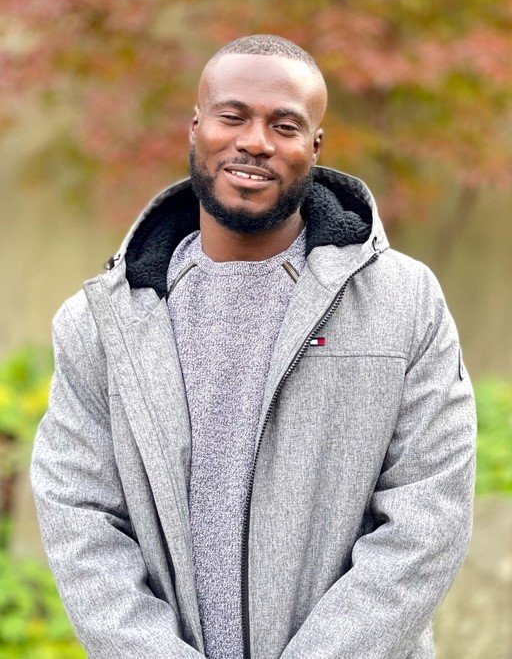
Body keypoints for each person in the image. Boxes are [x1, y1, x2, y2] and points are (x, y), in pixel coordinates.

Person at [31, 34, 476, 659]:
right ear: (196, 127)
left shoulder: (405, 303)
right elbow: (81, 522)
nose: (256, 141)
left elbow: (427, 521)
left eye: (284, 125)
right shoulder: (100, 324)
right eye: (233, 115)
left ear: (314, 147)